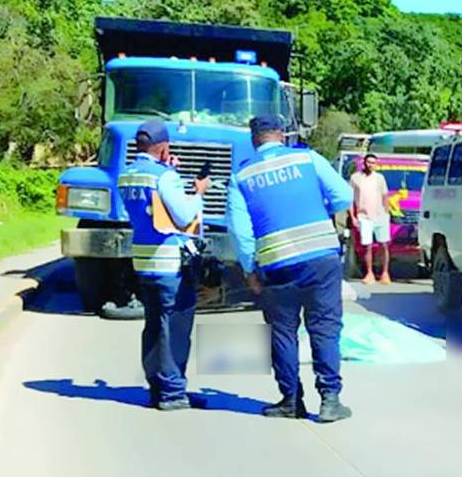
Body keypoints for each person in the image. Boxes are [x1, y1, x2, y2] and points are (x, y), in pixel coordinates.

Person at [226, 115, 354, 423]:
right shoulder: (308, 158)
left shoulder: (241, 176)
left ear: (254, 139)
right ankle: (330, 399)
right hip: (321, 258)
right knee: (324, 327)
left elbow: (240, 231)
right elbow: (344, 196)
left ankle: (291, 401)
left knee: (282, 332)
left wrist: (249, 268)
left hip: (277, 264)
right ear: (281, 135)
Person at [118, 120, 210, 411]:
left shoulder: (128, 175)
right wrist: (198, 192)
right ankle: (173, 392)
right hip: (171, 263)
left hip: (143, 263)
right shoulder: (163, 177)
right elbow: (183, 216)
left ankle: (158, 387)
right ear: (163, 148)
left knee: (154, 326)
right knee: (176, 327)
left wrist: (169, 171)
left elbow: (154, 209)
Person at [349, 153, 392, 285]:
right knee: (367, 246)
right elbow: (350, 199)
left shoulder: (380, 178)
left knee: (383, 245)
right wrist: (353, 217)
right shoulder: (355, 178)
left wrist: (386, 212)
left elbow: (385, 196)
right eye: (368, 162)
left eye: (373, 163)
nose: (370, 165)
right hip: (364, 217)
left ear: (376, 164)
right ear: (364, 163)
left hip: (380, 216)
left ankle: (385, 273)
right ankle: (369, 273)